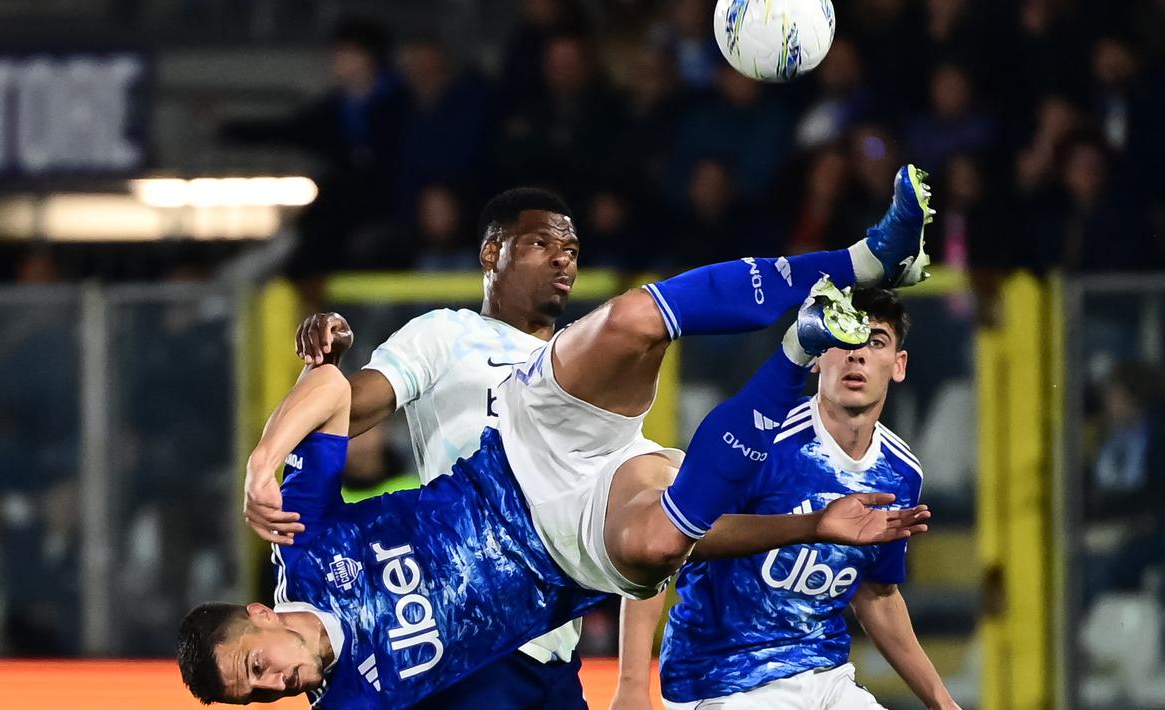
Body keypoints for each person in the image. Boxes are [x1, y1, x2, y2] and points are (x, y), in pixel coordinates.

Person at [181, 165, 936, 708]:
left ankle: (867, 260)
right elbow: (350, 395)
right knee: (661, 539)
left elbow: (334, 393)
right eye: (257, 696)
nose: (274, 686)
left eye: (255, 667)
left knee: (637, 320)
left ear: (259, 616)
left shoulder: (304, 548)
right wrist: (810, 527)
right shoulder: (349, 700)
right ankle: (797, 351)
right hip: (554, 572)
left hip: (521, 453)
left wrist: (263, 461)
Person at [269, 187, 607, 710]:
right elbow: (341, 413)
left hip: (558, 639)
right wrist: (321, 377)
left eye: (573, 250)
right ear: (491, 253)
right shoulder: (449, 335)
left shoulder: (587, 368)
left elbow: (623, 500)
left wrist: (632, 676)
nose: (563, 258)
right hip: (470, 640)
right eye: (541, 243)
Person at [613, 290, 960, 710]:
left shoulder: (901, 472)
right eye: (844, 340)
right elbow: (662, 541)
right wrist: (632, 686)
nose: (857, 356)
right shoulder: (758, 441)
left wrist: (942, 701)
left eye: (876, 341)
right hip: (725, 680)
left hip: (827, 678)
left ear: (898, 365)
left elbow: (877, 594)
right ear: (815, 356)